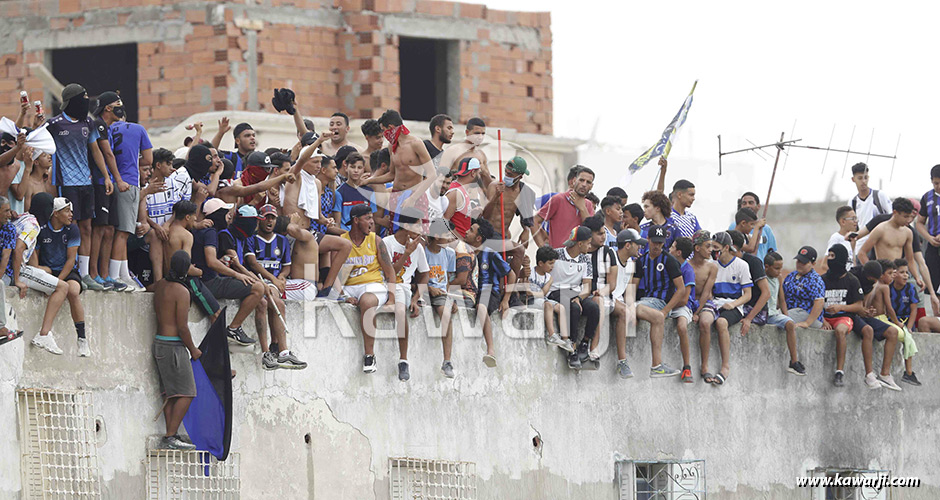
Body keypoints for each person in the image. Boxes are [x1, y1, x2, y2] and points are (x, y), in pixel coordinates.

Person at [46, 84, 118, 292]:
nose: (86, 101)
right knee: (73, 227)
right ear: (72, 100)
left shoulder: (89, 123)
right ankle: (72, 268)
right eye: (83, 97)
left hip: (87, 184)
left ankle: (85, 273)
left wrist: (106, 176)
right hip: (67, 184)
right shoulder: (55, 124)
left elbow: (95, 151)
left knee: (87, 227)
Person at [822, 245, 899, 390]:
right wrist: (823, 318)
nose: (873, 282)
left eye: (833, 256)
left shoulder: (862, 281)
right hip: (848, 315)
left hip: (851, 314)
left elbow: (860, 304)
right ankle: (862, 373)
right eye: (829, 256)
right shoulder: (852, 277)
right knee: (866, 330)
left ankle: (883, 374)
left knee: (892, 332)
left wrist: (864, 310)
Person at [190, 198, 264, 346]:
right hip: (208, 282)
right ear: (217, 215)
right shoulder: (210, 232)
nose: (229, 217)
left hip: (204, 281)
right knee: (258, 288)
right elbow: (211, 261)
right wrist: (237, 274)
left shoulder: (202, 230)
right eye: (225, 213)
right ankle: (234, 328)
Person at [341, 204, 401, 376]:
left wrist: (391, 297)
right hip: (349, 286)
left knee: (367, 301)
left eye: (372, 219)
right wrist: (343, 295)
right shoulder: (342, 240)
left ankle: (369, 355)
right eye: (368, 218)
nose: (371, 223)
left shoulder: (376, 240)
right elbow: (335, 274)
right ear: (356, 220)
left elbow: (390, 272)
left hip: (373, 285)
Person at [101, 93, 153, 291]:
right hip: (128, 182)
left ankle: (123, 273)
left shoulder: (104, 129)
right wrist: (132, 160)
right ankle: (115, 276)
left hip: (108, 183)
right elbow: (148, 159)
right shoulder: (138, 129)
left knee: (116, 231)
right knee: (123, 233)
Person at [152, 251, 200, 450]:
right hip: (173, 346)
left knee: (171, 393)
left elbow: (148, 288)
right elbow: (182, 327)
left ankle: (171, 434)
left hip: (159, 343)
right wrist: (193, 350)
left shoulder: (161, 285)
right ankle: (170, 436)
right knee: (188, 393)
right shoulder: (182, 291)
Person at [697, 231, 751, 386]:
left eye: (716, 247)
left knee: (721, 323)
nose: (713, 251)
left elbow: (747, 295)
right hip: (715, 303)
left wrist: (733, 304)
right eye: (711, 247)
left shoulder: (741, 265)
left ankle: (725, 366)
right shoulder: (712, 266)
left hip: (734, 305)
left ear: (726, 248)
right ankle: (704, 365)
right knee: (704, 321)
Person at [382, 208, 430, 380]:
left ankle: (403, 360)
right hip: (384, 283)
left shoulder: (418, 249)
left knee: (401, 313)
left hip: (402, 288)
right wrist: (406, 253)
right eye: (417, 226)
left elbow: (425, 274)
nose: (420, 231)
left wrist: (417, 298)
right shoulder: (387, 242)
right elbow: (390, 273)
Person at [631, 225, 684, 378]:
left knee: (635, 309)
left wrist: (666, 310)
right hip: (646, 301)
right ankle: (657, 365)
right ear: (648, 240)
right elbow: (633, 285)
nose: (657, 246)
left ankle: (657, 365)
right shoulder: (641, 261)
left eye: (660, 243)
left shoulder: (669, 260)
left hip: (660, 302)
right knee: (633, 307)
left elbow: (680, 289)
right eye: (654, 242)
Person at [463, 218, 512, 368]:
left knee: (481, 307)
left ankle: (491, 350)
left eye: (471, 230)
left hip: (488, 290)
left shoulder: (489, 253)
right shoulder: (465, 251)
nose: (466, 231)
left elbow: (511, 274)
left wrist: (505, 300)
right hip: (471, 290)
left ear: (478, 238)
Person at [482, 156, 536, 277]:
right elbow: (485, 215)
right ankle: (511, 288)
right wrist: (496, 196)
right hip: (488, 235)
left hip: (503, 236)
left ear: (520, 176)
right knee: (519, 250)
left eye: (511, 174)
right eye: (506, 172)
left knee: (523, 256)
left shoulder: (523, 192)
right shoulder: (494, 186)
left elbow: (525, 216)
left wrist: (526, 230)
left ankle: (509, 287)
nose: (507, 176)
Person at [870, 260, 918, 386]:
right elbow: (889, 308)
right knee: (906, 337)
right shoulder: (885, 287)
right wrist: (897, 322)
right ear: (882, 275)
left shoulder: (874, 285)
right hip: (882, 319)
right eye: (891, 273)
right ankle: (906, 372)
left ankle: (906, 372)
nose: (893, 276)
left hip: (879, 318)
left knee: (906, 335)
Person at [857, 198, 924, 290]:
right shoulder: (880, 229)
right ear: (895, 213)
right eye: (905, 216)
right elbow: (862, 253)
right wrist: (875, 273)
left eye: (910, 216)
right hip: (882, 278)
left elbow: (910, 260)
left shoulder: (908, 232)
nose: (908, 220)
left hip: (898, 279)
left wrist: (917, 277)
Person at [423, 218, 460, 377]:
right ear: (436, 236)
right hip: (421, 290)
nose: (451, 238)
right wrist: (428, 288)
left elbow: (448, 280)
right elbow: (415, 278)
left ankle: (447, 361)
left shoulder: (449, 253)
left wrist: (451, 298)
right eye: (447, 234)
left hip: (441, 293)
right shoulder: (423, 251)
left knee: (446, 316)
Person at [762, 252, 806, 375]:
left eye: (781, 268)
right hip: (762, 313)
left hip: (773, 314)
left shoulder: (778, 278)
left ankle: (794, 362)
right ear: (766, 267)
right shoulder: (761, 277)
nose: (779, 271)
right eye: (776, 268)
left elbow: (782, 300)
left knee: (790, 324)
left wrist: (786, 316)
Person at [610, 229, 645, 379]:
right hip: (606, 297)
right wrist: (626, 308)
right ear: (628, 245)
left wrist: (631, 308)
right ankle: (622, 361)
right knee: (624, 312)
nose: (640, 248)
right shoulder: (610, 257)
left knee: (629, 312)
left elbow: (629, 292)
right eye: (638, 245)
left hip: (618, 300)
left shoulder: (631, 263)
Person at [533, 166, 596, 248]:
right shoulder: (558, 199)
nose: (584, 184)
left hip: (580, 257)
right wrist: (542, 247)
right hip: (557, 256)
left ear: (591, 186)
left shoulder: (589, 205)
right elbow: (534, 220)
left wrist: (582, 208)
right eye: (581, 180)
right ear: (574, 181)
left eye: (588, 182)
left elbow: (590, 232)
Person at [666, 236, 696, 382]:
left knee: (682, 326)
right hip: (667, 304)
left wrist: (667, 307)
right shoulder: (667, 264)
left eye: (672, 246)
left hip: (681, 306)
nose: (669, 249)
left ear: (678, 252)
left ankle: (687, 367)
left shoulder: (688, 270)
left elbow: (684, 299)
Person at [529, 245, 569, 352]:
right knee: (548, 305)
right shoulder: (530, 273)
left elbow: (542, 293)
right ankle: (551, 335)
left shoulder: (549, 278)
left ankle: (565, 339)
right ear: (541, 263)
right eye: (550, 263)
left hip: (540, 299)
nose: (552, 267)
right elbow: (525, 289)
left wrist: (532, 293)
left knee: (561, 308)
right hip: (530, 301)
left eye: (553, 263)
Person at [850, 162, 891, 251]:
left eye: (865, 177)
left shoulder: (879, 195)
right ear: (853, 179)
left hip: (880, 245)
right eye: (860, 178)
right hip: (861, 247)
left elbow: (892, 217)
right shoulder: (852, 202)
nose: (863, 181)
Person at [782, 246, 826, 329]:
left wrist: (807, 323)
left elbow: (819, 303)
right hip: (790, 311)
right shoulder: (791, 275)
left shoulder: (814, 280)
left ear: (813, 264)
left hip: (806, 313)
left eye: (804, 263)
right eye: (798, 261)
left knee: (781, 318)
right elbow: (782, 295)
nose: (800, 264)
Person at [332, 152, 378, 231]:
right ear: (346, 168)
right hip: (347, 235)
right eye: (352, 167)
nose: (356, 171)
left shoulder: (369, 192)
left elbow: (372, 221)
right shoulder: (339, 192)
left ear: (363, 169)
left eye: (359, 167)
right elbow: (337, 223)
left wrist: (371, 238)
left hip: (365, 236)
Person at [730, 192, 778, 260]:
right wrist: (757, 227)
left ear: (758, 206)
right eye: (744, 203)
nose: (747, 206)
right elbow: (749, 248)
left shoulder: (766, 229)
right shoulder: (734, 226)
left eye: (751, 203)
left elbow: (772, 253)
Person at [0, 198, 21, 343]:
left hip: (4, 273)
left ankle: (1, 326)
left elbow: (5, 258)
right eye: (6, 210)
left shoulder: (9, 229)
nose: (10, 214)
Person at [823, 206, 858, 272]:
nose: (856, 221)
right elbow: (824, 265)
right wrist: (840, 275)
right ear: (843, 222)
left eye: (856, 218)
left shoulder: (852, 239)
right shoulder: (836, 238)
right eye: (853, 218)